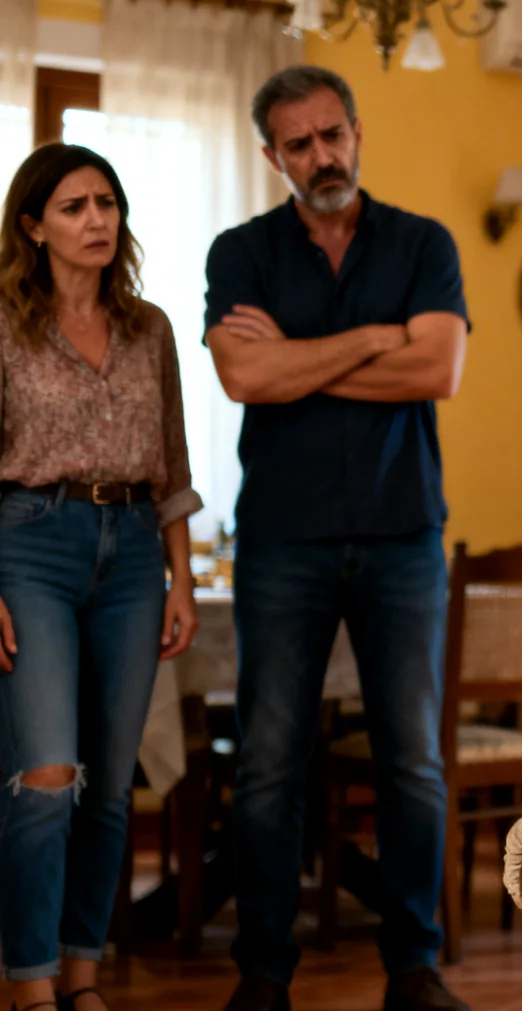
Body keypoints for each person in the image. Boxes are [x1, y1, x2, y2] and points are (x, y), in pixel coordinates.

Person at [202, 65, 470, 1011]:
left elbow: (437, 369)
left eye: (333, 134)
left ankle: (414, 968)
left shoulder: (424, 242)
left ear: (357, 131)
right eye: (299, 143)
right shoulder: (240, 252)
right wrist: (373, 337)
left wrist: (297, 358)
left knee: (412, 761)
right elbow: (244, 379)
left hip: (404, 535)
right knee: (269, 761)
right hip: (284, 539)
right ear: (271, 155)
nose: (322, 155)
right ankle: (263, 973)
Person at [0, 143, 201, 1011]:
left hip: (135, 552)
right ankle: (29, 980)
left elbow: (174, 465)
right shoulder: (5, 324)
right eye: (74, 206)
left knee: (113, 786)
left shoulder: (149, 328)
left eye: (107, 203)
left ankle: (81, 975)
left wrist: (182, 579)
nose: (97, 220)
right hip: (30, 544)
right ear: (32, 226)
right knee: (48, 775)